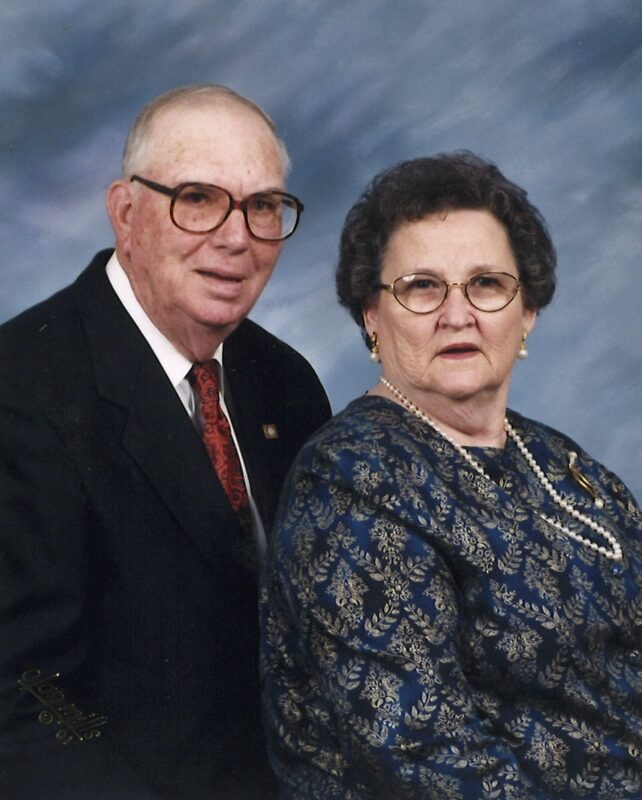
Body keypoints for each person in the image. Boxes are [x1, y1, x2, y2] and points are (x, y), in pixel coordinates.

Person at [261, 152, 642, 799]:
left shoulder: (566, 466)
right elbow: (427, 756)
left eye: (487, 284)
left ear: (526, 313)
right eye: (421, 287)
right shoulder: (350, 481)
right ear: (371, 317)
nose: (457, 313)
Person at [0, 85, 330, 799]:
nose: (237, 237)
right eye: (199, 199)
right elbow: (21, 697)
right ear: (126, 212)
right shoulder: (21, 388)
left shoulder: (287, 384)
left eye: (264, 206)